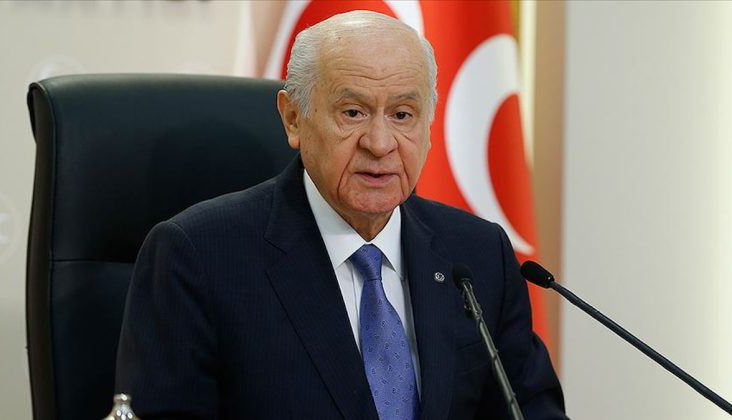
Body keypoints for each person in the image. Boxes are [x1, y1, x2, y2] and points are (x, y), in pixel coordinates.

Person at [116, 10, 567, 420]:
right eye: (353, 112)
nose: (380, 143)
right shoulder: (199, 256)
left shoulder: (478, 255)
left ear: (429, 125)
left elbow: (531, 410)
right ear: (293, 119)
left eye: (403, 114)